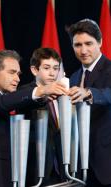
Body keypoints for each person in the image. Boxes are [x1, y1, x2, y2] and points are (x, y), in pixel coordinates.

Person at [0, 50, 68, 187]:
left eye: (18, 74)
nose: (17, 78)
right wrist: (40, 91)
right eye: (12, 72)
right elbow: (1, 103)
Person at [67, 19, 111, 187]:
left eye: (88, 43)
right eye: (77, 45)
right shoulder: (74, 77)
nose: (83, 50)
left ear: (100, 42)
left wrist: (87, 92)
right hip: (86, 169)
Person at [21, 47, 65, 185]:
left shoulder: (64, 93)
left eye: (55, 68)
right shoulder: (25, 92)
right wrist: (43, 94)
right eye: (46, 68)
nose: (52, 73)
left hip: (64, 168)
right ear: (35, 70)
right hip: (38, 168)